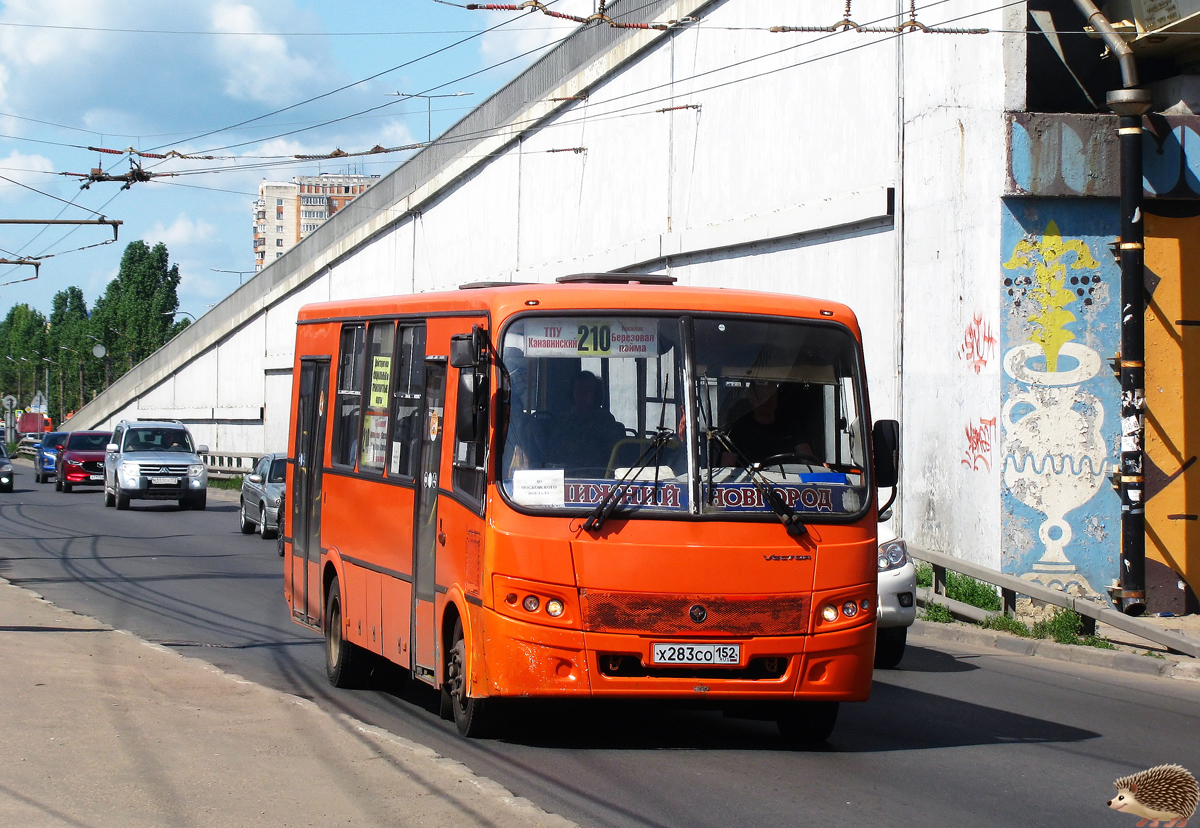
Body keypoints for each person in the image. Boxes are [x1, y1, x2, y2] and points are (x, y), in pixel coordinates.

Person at [545, 370, 625, 474]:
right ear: (572, 390)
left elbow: (613, 457)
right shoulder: (562, 419)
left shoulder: (604, 419)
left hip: (592, 479)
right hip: (559, 477)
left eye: (588, 389)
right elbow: (550, 451)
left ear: (595, 393)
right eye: (578, 387)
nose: (582, 392)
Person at [721, 380, 815, 466]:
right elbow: (727, 468)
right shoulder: (738, 430)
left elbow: (808, 462)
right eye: (762, 396)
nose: (768, 400)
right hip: (752, 482)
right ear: (751, 398)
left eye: (771, 395)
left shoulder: (791, 426)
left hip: (788, 482)